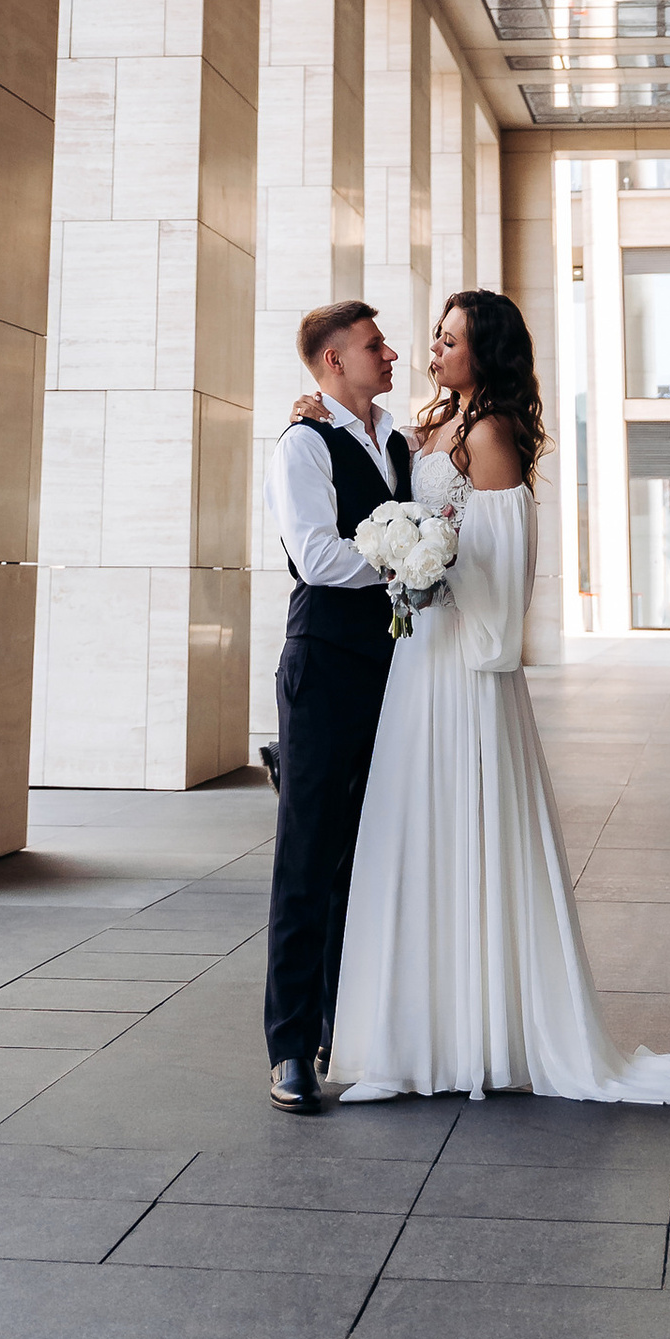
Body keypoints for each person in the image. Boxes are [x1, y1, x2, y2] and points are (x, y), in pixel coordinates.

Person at [301, 288, 670, 1110]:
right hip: (418, 664)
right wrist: (327, 417)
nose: (430, 347)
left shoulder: (493, 434)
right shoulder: (430, 425)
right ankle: (414, 1037)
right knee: (413, 833)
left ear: (487, 353)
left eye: (448, 338)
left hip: (463, 669)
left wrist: (425, 566)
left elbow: (504, 572)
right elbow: (377, 468)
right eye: (431, 335)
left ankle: (475, 1036)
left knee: (461, 831)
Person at [260, 300, 411, 1116]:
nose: (389, 354)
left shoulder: (399, 438)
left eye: (386, 343)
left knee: (369, 851)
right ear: (330, 363)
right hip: (323, 663)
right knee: (308, 853)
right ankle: (289, 1046)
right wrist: (401, 557)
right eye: (372, 346)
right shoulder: (301, 444)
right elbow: (317, 557)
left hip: (397, 666)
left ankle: (341, 1024)